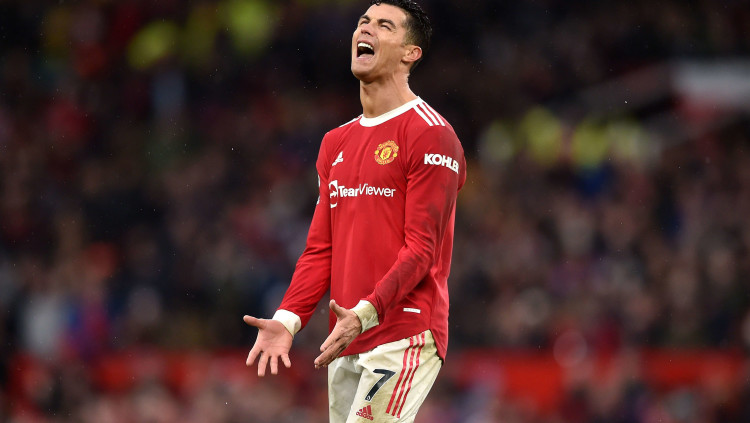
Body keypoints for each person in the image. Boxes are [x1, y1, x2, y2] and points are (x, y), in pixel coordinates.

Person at [243, 0, 466, 421]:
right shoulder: (335, 143)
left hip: (404, 331)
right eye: (363, 22)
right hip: (346, 336)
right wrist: (288, 319)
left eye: (384, 25)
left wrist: (366, 314)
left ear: (410, 53)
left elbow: (422, 249)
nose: (366, 29)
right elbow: (320, 249)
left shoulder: (431, 135)